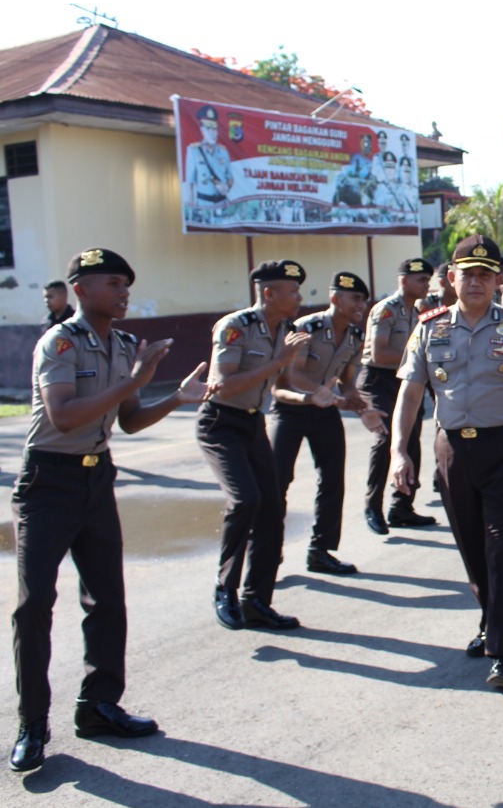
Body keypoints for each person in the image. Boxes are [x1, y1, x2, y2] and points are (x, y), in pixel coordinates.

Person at [9, 248, 207, 773]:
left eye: (126, 284)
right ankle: (32, 724)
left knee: (107, 601)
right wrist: (138, 380)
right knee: (35, 607)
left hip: (97, 479)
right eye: (113, 282)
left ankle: (99, 706)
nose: (124, 292)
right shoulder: (60, 341)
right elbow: (65, 415)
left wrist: (176, 398)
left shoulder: (123, 345)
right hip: (48, 480)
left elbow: (130, 420)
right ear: (81, 289)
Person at [392, 235, 503, 688]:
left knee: (501, 549)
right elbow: (410, 394)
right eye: (466, 274)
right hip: (452, 450)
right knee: (473, 548)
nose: (475, 282)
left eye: (484, 275)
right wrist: (399, 451)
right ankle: (490, 620)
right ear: (451, 279)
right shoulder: (429, 328)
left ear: (498, 281)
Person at [199, 260, 312, 632]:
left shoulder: (287, 330)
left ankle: (257, 601)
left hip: (253, 422)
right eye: (292, 291)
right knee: (245, 499)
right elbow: (223, 385)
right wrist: (280, 361)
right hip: (220, 423)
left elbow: (283, 381)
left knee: (272, 507)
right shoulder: (236, 327)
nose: (299, 297)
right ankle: (225, 590)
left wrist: (322, 393)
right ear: (268, 293)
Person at [269, 272, 385, 576]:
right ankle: (268, 552)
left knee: (333, 480)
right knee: (278, 481)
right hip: (290, 408)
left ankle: (320, 551)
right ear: (335, 299)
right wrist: (325, 393)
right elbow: (293, 375)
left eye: (364, 299)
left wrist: (363, 408)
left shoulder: (356, 336)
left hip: (325, 411)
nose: (362, 305)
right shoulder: (307, 328)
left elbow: (348, 382)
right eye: (356, 299)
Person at [357, 258, 439, 534]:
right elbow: (379, 354)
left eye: (428, 280)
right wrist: (422, 358)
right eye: (421, 280)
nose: (427, 285)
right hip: (378, 381)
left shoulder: (418, 310)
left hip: (404, 380)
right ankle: (373, 506)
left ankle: (402, 507)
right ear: (404, 280)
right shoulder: (387, 310)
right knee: (387, 439)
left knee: (410, 441)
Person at [185, 105, 234, 209]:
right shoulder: (194, 151)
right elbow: (190, 183)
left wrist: (227, 187)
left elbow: (230, 178)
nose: (212, 133)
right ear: (202, 130)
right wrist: (191, 208)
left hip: (222, 204)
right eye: (208, 129)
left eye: (214, 129)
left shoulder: (223, 152)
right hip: (203, 205)